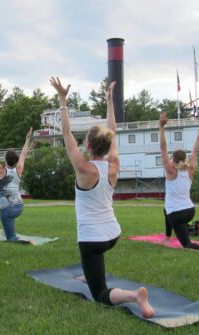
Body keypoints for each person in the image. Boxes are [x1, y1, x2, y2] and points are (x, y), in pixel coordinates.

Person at [50, 76, 155, 318]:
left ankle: (134, 296)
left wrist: (63, 100)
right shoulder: (114, 166)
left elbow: (66, 135)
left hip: (93, 240)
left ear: (87, 145)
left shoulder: (84, 170)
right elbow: (113, 131)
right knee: (94, 263)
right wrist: (109, 101)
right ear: (107, 146)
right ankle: (89, 273)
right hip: (113, 233)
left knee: (99, 294)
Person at [160, 112, 199, 251]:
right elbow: (195, 151)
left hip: (177, 215)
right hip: (190, 211)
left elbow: (163, 148)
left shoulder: (171, 171)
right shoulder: (190, 169)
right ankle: (168, 237)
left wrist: (161, 127)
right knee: (165, 209)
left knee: (187, 245)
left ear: (173, 159)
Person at [0, 121, 32, 241]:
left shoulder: (1, 171)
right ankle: (6, 231)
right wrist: (27, 139)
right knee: (9, 215)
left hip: (8, 209)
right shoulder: (19, 169)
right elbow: (24, 154)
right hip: (19, 206)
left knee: (11, 238)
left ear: (5, 159)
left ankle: (24, 241)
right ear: (15, 160)